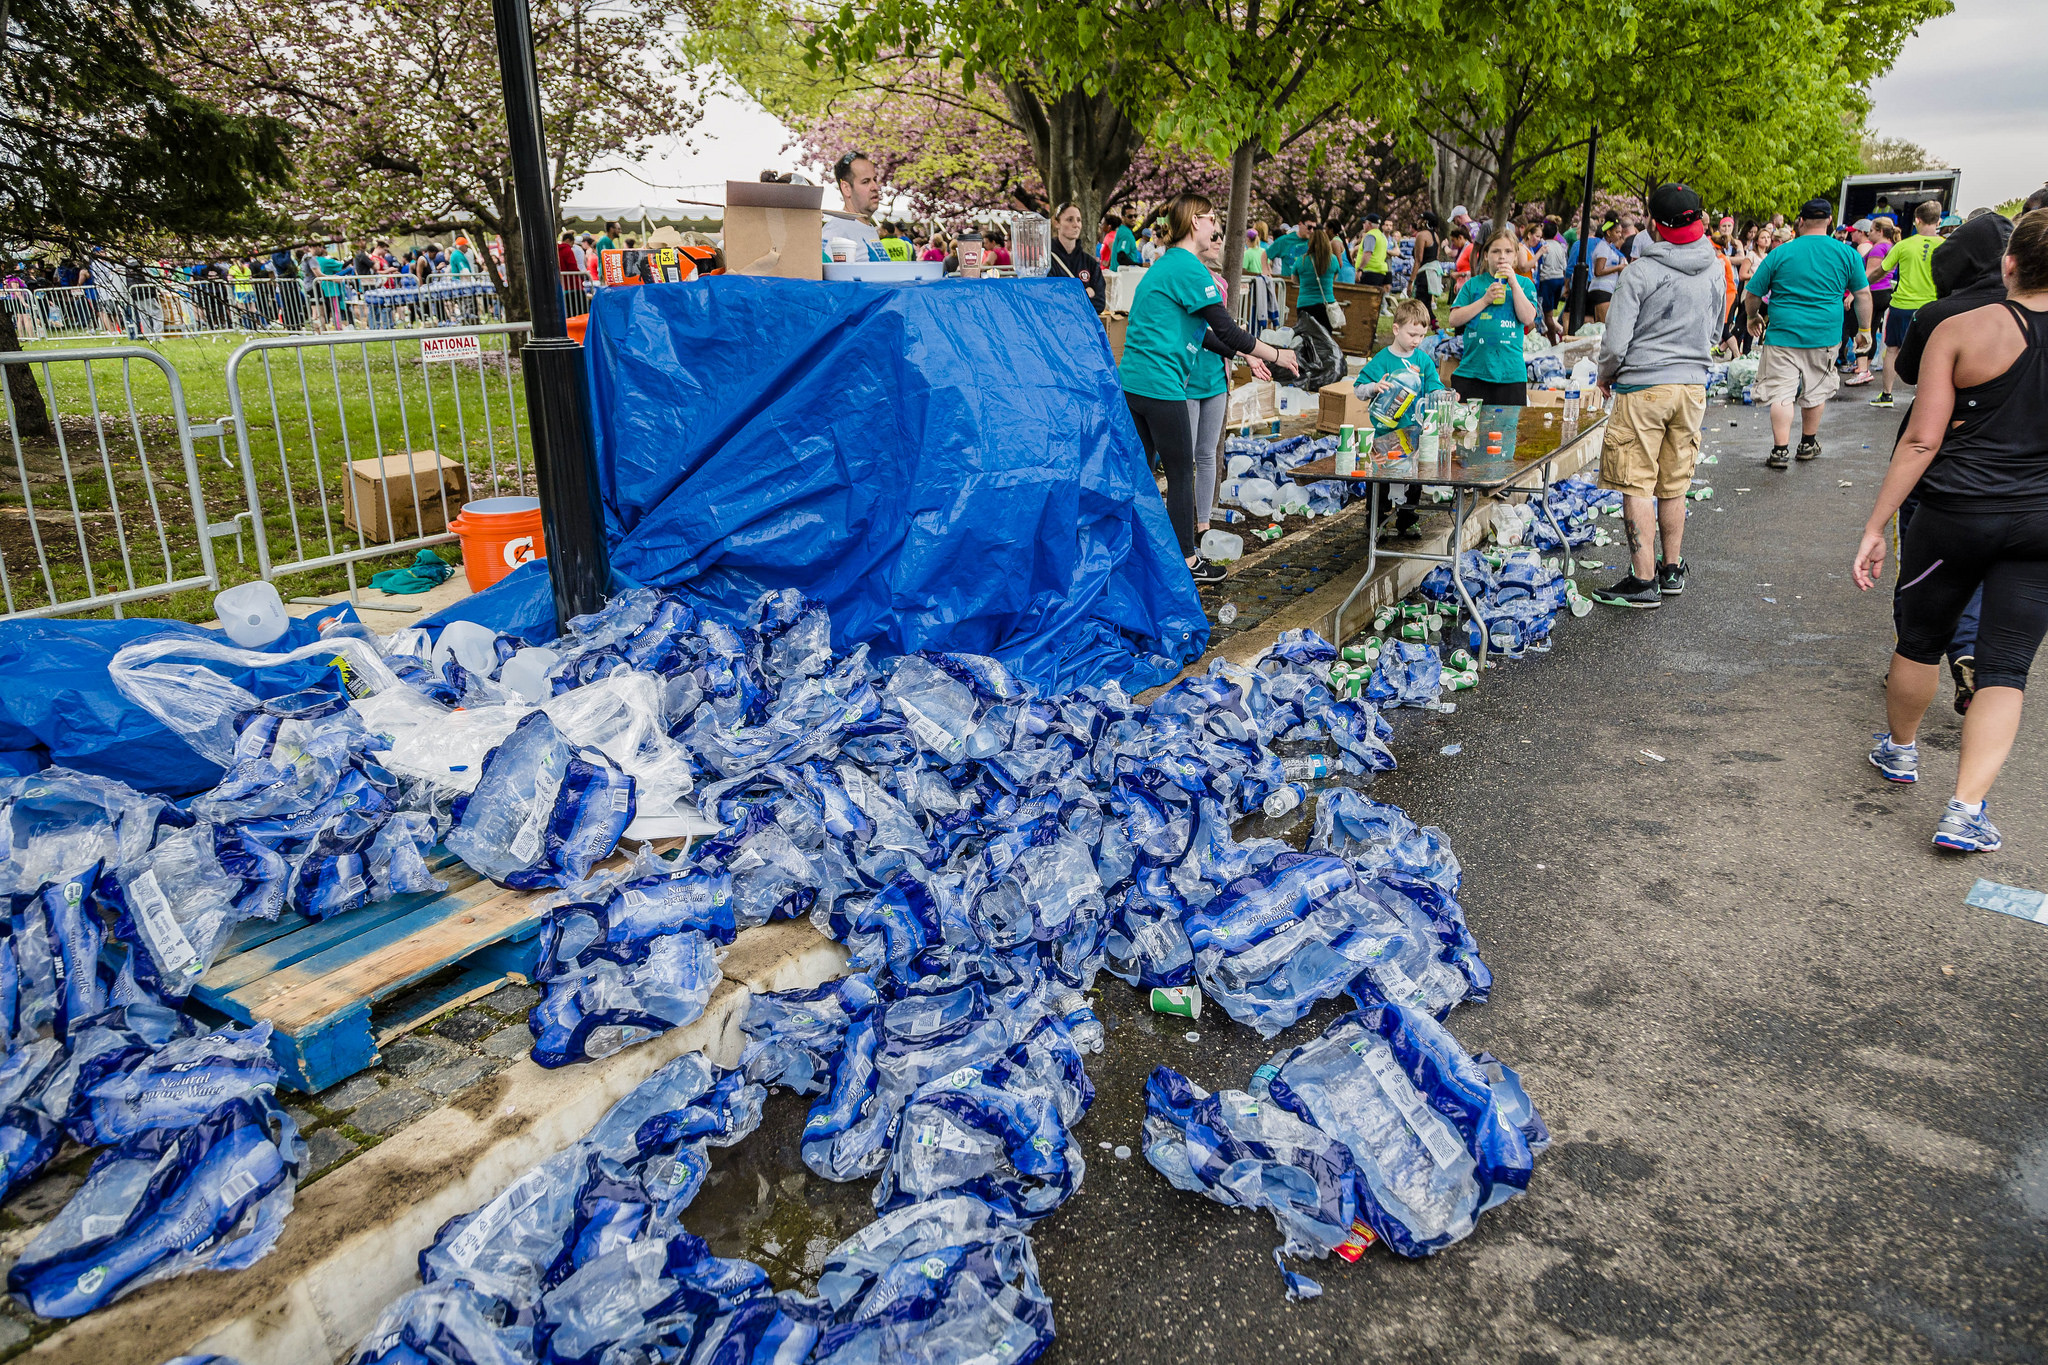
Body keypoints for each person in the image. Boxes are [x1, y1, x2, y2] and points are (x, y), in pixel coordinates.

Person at [1854, 210, 2048, 852]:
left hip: (1953, 512)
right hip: (2040, 524)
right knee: (2006, 668)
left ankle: (1902, 752)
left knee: (1920, 637)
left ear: (2009, 265)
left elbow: (1920, 439)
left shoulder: (1960, 329)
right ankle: (1966, 809)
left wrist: (1876, 525)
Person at [1119, 194, 1298, 582]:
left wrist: (1246, 357)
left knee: (1140, 473)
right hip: (1161, 385)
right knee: (1183, 472)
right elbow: (1227, 328)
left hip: (1134, 384)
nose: (1216, 226)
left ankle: (1131, 554)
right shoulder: (1190, 268)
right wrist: (1274, 353)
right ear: (1194, 221)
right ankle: (1186, 561)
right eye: (1212, 218)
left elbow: (1206, 336)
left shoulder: (1167, 265)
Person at [1884, 212, 2016, 716]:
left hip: (1939, 464)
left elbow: (1910, 373)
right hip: (2014, 474)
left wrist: (1878, 518)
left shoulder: (1941, 314)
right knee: (1984, 570)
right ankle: (1968, 648)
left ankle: (1912, 654)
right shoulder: (2026, 311)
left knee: (1919, 571)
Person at [1588, 184, 1726, 609]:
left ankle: (1643, 581)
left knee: (1636, 481)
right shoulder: (1716, 267)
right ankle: (1671, 569)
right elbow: (1716, 328)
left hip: (1644, 387)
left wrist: (1605, 376)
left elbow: (1615, 342)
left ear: (1653, 224)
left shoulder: (1639, 272)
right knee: (1674, 481)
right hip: (1692, 388)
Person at [1742, 198, 1872, 468]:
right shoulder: (1847, 254)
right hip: (1824, 334)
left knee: (1781, 393)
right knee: (1815, 389)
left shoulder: (1780, 253)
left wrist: (1752, 316)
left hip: (1782, 334)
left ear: (1800, 222)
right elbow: (1863, 295)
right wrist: (1865, 329)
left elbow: (1753, 293)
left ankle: (1779, 450)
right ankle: (1808, 443)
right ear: (1829, 222)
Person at [1354, 297, 1449, 537]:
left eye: (1421, 336)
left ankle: (1407, 519)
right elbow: (1358, 389)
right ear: (1396, 329)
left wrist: (1443, 396)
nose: (1417, 341)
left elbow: (1435, 388)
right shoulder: (1383, 360)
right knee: (1379, 478)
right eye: (1412, 335)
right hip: (1384, 434)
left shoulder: (1423, 360)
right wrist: (1374, 387)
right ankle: (1376, 518)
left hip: (1414, 433)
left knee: (1414, 478)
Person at [1445, 226, 1539, 404]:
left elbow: (1527, 318)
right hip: (1472, 372)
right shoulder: (1473, 285)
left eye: (1508, 251)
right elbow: (1453, 319)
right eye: (1496, 251)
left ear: (1515, 256)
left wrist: (1513, 284)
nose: (1502, 256)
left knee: (1506, 429)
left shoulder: (1524, 284)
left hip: (1510, 375)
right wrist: (1485, 300)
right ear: (1486, 255)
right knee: (1467, 430)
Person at [1871, 201, 1945, 409]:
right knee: (1928, 352)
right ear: (1939, 221)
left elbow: (1881, 271)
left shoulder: (1903, 245)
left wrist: (1862, 284)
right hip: (1932, 307)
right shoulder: (1946, 245)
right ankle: (1921, 395)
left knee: (1892, 349)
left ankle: (1887, 395)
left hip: (1902, 306)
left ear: (1917, 220)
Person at [824, 151, 884, 257]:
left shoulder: (867, 228)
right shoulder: (836, 230)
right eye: (865, 182)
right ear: (846, 188)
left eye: (875, 180)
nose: (875, 187)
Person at [1048, 203, 1107, 311]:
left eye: (1079, 220)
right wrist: (1085, 293)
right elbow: (1051, 301)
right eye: (1070, 220)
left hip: (1083, 327)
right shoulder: (1046, 261)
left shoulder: (1090, 263)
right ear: (1057, 223)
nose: (1076, 225)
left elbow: (1100, 303)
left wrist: (1068, 295)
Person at [1535, 219, 1568, 343]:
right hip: (1559, 279)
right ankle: (1553, 337)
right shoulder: (1560, 246)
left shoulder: (1543, 246)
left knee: (1547, 314)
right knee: (1551, 312)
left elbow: (1540, 265)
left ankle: (1553, 341)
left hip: (1547, 280)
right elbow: (1564, 266)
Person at [1587, 221, 1627, 320]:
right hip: (1602, 290)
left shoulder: (1610, 248)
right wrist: (1618, 267)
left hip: (1607, 289)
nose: (1620, 235)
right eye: (1617, 232)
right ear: (1608, 233)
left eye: (1620, 232)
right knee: (1605, 324)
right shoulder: (1603, 247)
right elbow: (1599, 271)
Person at [1356, 213, 1392, 288]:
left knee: (1364, 297)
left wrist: (1360, 270)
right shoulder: (1382, 237)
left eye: (1364, 223)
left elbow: (1367, 254)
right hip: (1380, 272)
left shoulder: (1370, 236)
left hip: (1368, 273)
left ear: (1369, 224)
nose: (1363, 225)